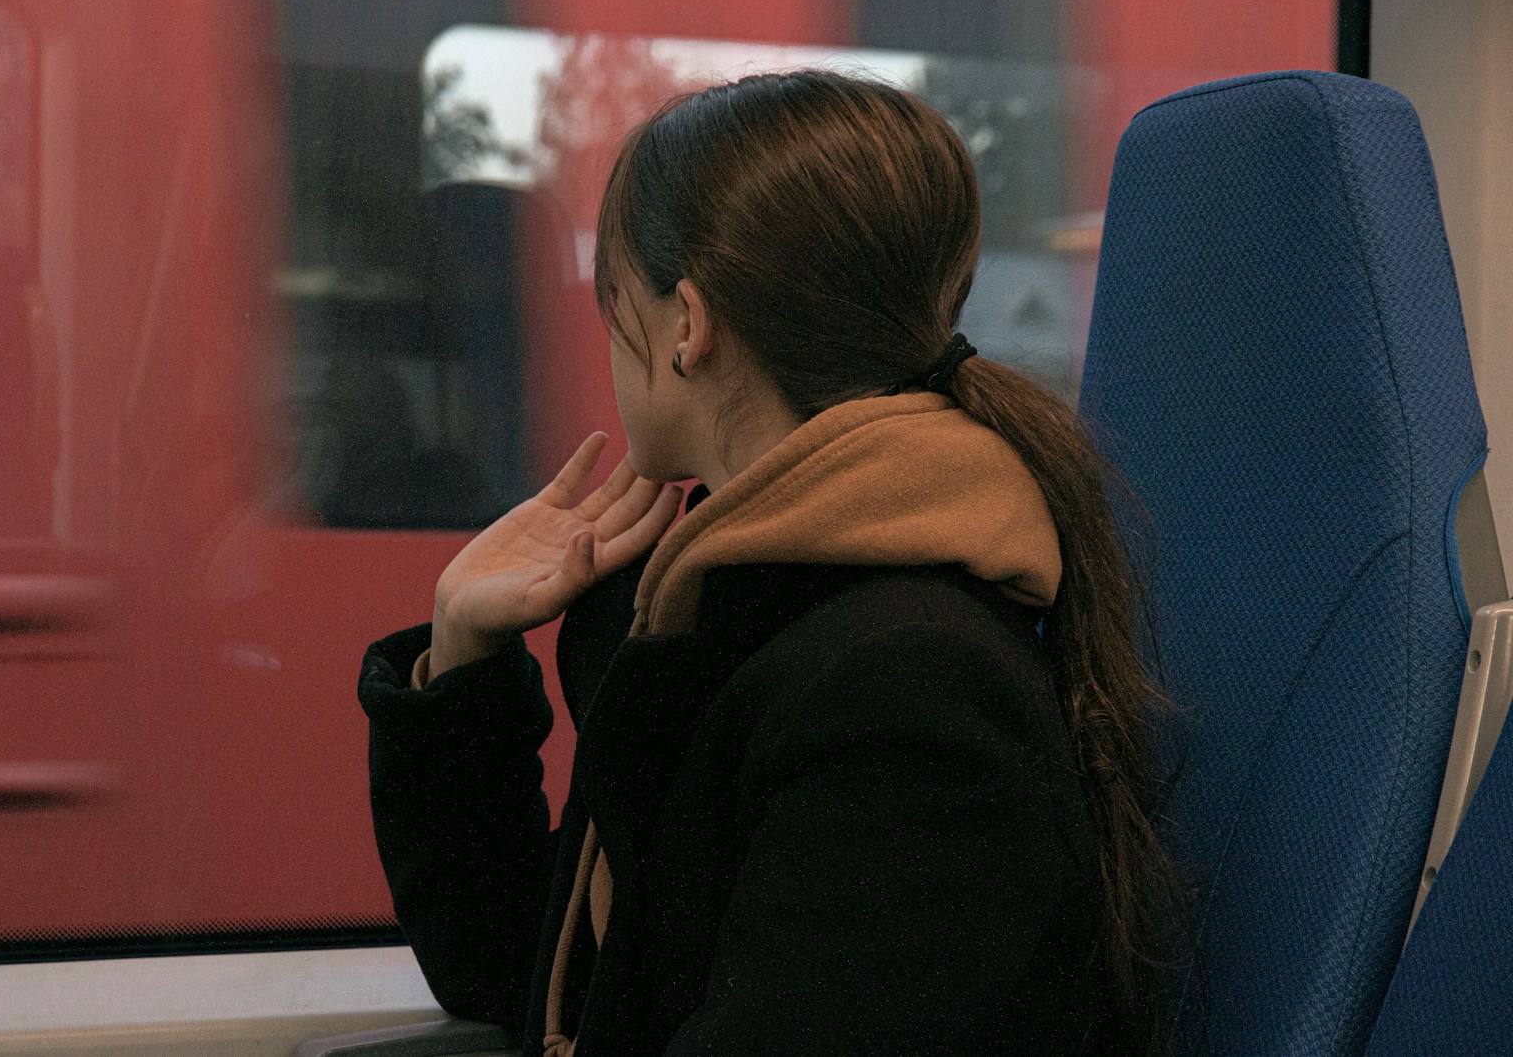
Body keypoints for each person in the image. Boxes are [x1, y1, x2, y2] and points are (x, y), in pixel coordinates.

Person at [358, 69, 1187, 1057]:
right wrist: (464, 650)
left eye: (614, 298)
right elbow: (535, 974)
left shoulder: (910, 697)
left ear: (687, 325)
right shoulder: (734, 606)